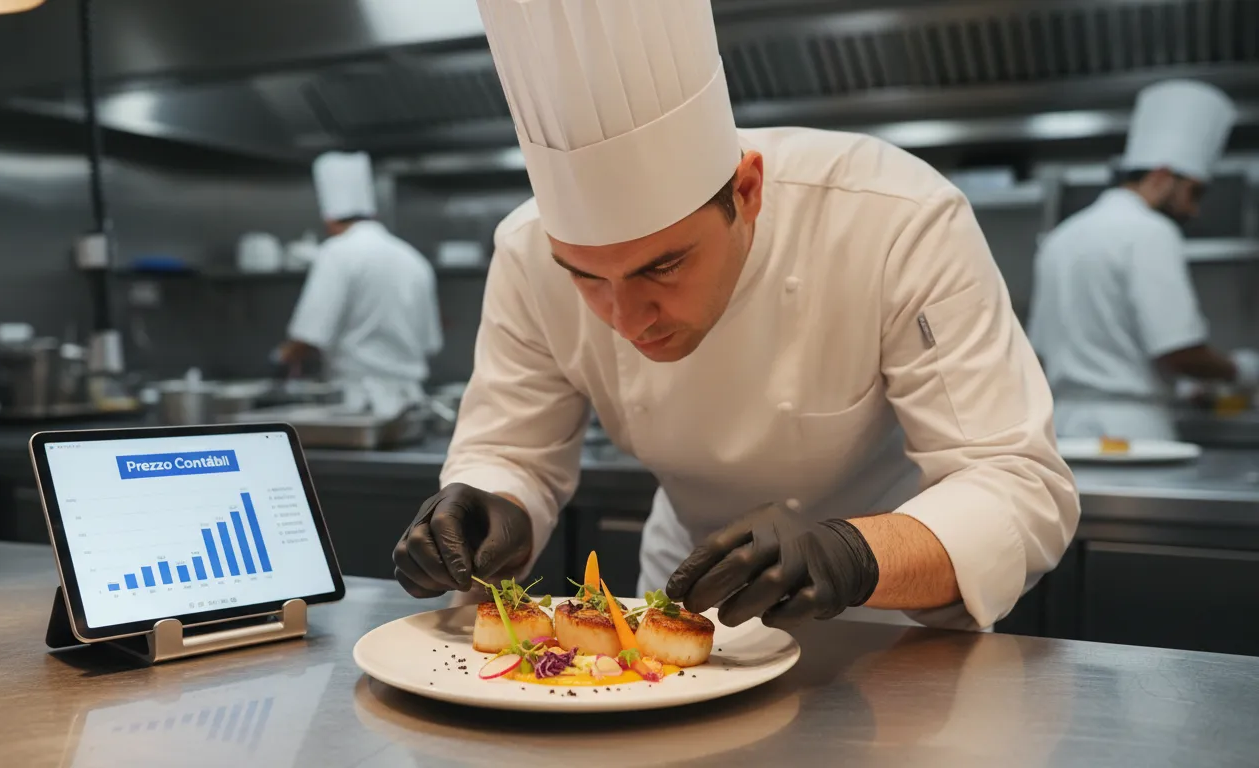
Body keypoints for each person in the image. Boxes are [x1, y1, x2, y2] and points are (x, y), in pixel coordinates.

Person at [392, 0, 1078, 632]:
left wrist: (849, 554)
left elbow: (1017, 484)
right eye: (585, 277)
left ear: (746, 192)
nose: (626, 318)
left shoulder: (895, 217)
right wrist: (488, 504)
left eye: (662, 267)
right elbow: (514, 452)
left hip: (882, 613)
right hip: (679, 601)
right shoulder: (524, 250)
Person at [1028, 80, 1258, 440]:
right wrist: (1241, 370)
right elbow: (1177, 350)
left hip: (1062, 429)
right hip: (1131, 432)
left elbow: (1040, 352)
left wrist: (1175, 385)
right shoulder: (1151, 231)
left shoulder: (1061, 237)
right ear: (1163, 177)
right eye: (1193, 192)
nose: (1194, 210)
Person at [281, 152, 443, 419]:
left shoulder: (336, 252)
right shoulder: (413, 258)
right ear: (372, 213)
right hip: (412, 405)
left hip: (359, 405)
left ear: (329, 218)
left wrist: (282, 357)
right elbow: (431, 343)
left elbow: (310, 334)